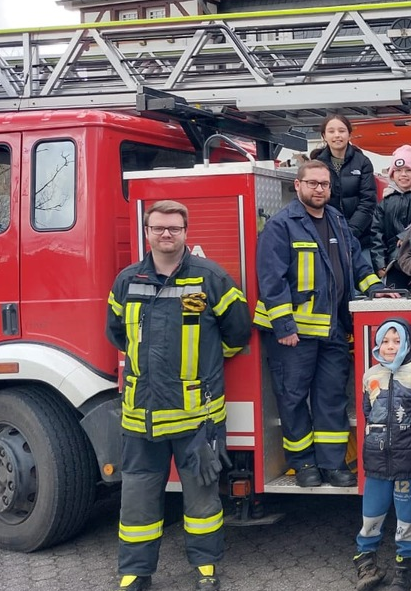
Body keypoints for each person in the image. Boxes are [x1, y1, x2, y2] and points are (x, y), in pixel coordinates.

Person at [106, 200, 252, 591]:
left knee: (202, 500)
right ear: (148, 233)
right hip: (141, 417)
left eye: (174, 228)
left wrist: (203, 366)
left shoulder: (210, 277)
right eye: (159, 228)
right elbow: (116, 332)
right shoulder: (126, 281)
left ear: (186, 233)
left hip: (197, 417)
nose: (166, 234)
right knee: (137, 500)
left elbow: (239, 331)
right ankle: (135, 572)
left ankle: (206, 569)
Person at [255, 161, 382, 488]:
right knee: (293, 399)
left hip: (333, 330)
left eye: (324, 184)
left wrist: (375, 290)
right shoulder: (282, 225)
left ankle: (333, 463)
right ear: (298, 186)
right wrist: (284, 327)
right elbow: (271, 279)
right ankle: (304, 464)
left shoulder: (337, 220)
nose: (319, 189)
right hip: (294, 334)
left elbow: (356, 263)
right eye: (312, 183)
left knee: (331, 398)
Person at [354, 318, 411, 591]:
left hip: (409, 463)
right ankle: (366, 564)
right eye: (385, 341)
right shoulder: (370, 375)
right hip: (375, 461)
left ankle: (404, 568)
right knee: (371, 515)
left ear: (408, 343)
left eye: (397, 341)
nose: (390, 346)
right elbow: (367, 412)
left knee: (408, 517)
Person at [311, 113, 378, 254]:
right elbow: (313, 200)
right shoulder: (316, 164)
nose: (337, 135)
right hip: (326, 236)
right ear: (324, 136)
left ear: (349, 135)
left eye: (341, 131)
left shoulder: (363, 162)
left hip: (360, 238)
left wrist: (350, 233)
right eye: (331, 131)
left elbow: (368, 202)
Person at [371, 144, 411, 288]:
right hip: (393, 262)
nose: (403, 174)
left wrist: (406, 235)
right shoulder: (385, 202)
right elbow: (377, 234)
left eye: (409, 170)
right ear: (392, 174)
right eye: (398, 171)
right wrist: (380, 263)